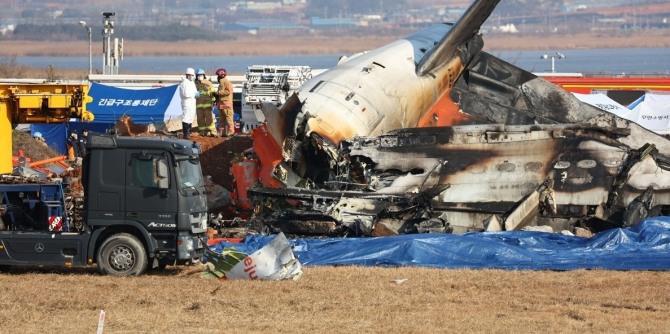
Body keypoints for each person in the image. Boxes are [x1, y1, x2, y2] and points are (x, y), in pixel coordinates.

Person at [194, 68, 218, 137]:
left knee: (209, 119)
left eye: (201, 75)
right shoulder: (195, 84)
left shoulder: (208, 83)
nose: (199, 76)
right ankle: (203, 132)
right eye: (198, 75)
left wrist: (213, 102)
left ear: (203, 75)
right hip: (199, 105)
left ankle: (213, 132)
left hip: (207, 104)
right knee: (200, 119)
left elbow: (213, 93)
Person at [179, 67, 199, 139]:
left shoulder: (191, 83)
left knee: (191, 118)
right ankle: (186, 134)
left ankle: (189, 132)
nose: (193, 77)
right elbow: (186, 94)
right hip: (187, 102)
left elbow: (194, 91)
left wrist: (196, 94)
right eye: (191, 75)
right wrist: (194, 94)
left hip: (192, 102)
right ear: (188, 75)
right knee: (186, 118)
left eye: (193, 75)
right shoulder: (184, 83)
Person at [215, 68, 235, 137]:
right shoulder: (221, 84)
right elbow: (219, 95)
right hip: (221, 105)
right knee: (221, 121)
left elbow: (228, 92)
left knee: (229, 120)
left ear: (222, 75)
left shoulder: (227, 83)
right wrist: (216, 99)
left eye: (218, 76)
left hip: (227, 105)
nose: (217, 77)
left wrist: (218, 93)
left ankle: (231, 132)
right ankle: (221, 132)